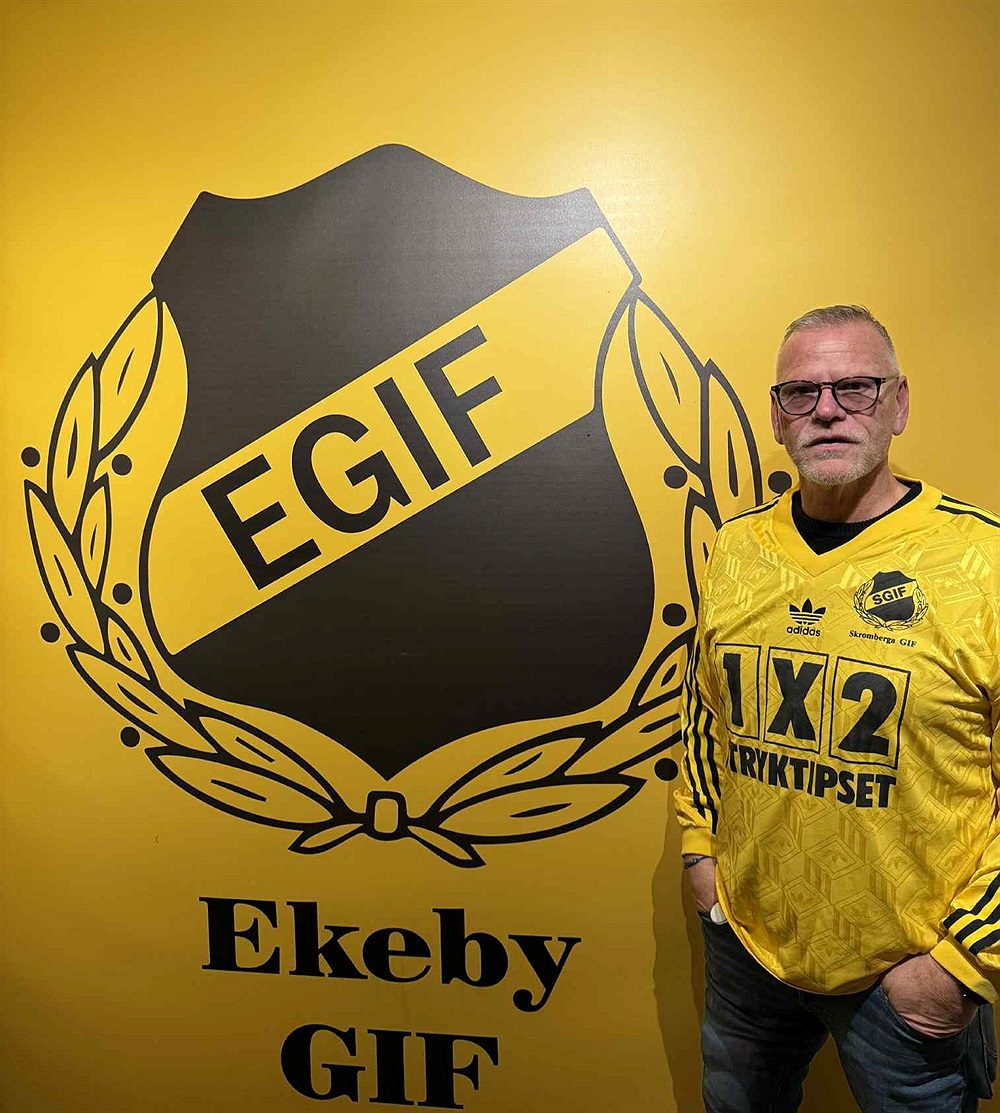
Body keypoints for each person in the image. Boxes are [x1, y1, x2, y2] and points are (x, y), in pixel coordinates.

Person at [674, 305, 999, 1112]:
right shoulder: (737, 548)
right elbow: (707, 718)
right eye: (801, 392)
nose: (826, 409)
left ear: (899, 402)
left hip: (906, 973)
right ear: (777, 416)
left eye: (855, 387)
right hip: (748, 947)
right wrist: (703, 861)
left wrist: (963, 963)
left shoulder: (984, 561)